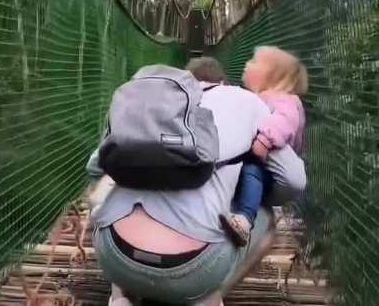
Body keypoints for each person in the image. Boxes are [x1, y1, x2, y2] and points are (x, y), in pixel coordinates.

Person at [86, 57, 306, 306]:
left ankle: (120, 296)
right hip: (192, 269)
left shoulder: (152, 100)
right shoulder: (246, 101)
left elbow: (95, 166)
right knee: (263, 215)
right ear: (223, 83)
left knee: (116, 194)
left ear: (184, 79)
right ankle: (208, 297)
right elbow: (293, 180)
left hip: (114, 256)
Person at [220, 46, 308, 246]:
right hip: (251, 163)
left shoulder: (285, 100)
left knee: (252, 171)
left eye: (254, 62)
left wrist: (264, 141)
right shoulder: (258, 98)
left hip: (266, 168)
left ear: (272, 76)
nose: (247, 64)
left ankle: (244, 221)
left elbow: (284, 121)